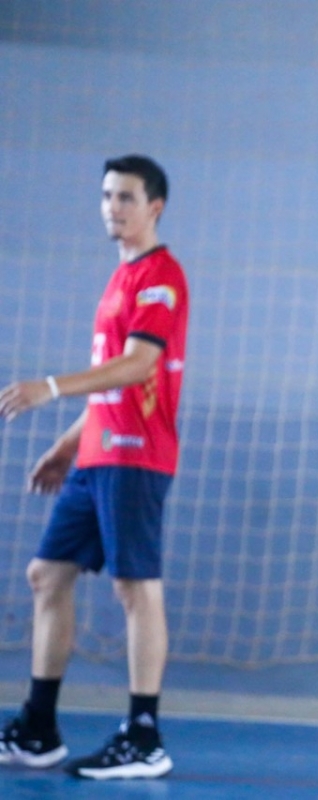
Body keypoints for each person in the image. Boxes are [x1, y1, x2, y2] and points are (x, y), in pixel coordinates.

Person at [0, 154, 188, 780]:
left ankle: (144, 737)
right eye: (107, 196)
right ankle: (38, 729)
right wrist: (67, 446)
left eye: (126, 197)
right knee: (46, 574)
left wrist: (51, 388)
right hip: (98, 451)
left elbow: (138, 366)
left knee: (135, 587)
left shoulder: (160, 278)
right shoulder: (119, 278)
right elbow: (112, 385)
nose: (113, 207)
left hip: (136, 454)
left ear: (155, 207)